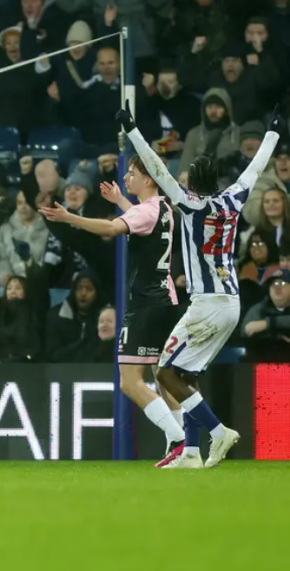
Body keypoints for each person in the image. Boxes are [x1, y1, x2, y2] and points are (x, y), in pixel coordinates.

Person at [121, 101, 283, 468]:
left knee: (164, 372)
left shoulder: (190, 205)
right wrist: (273, 131)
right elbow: (256, 167)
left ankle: (217, 431)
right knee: (186, 373)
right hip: (231, 303)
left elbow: (158, 169)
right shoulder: (233, 199)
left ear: (193, 182)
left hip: (206, 304)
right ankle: (191, 453)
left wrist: (133, 130)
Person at [40, 156, 189, 466]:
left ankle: (179, 439)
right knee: (162, 377)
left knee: (129, 381)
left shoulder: (146, 212)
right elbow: (143, 219)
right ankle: (186, 450)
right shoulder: (165, 209)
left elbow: (111, 227)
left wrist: (70, 218)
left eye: (132, 173)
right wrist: (121, 200)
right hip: (167, 301)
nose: (126, 178)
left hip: (146, 303)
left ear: (149, 179)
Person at [241, 269, 290, 363]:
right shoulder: (260, 308)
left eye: (282, 284)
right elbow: (246, 330)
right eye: (273, 285)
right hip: (265, 363)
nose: (277, 288)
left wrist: (268, 323)